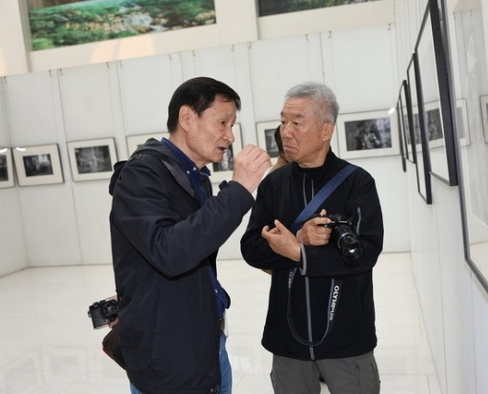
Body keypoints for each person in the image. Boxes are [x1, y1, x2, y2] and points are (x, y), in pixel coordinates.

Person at [109, 76, 271, 394]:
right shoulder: (142, 175)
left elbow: (194, 246)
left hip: (205, 341)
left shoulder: (194, 178)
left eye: (232, 125)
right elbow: (170, 252)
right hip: (168, 356)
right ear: (187, 118)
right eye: (222, 122)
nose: (230, 135)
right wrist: (239, 190)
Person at [240, 81, 384, 394]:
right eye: (283, 122)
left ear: (326, 130)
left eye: (297, 123)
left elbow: (367, 252)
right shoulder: (273, 185)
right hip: (288, 338)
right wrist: (298, 240)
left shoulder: (357, 183)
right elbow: (250, 248)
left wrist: (298, 253)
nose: (285, 132)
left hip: (347, 337)